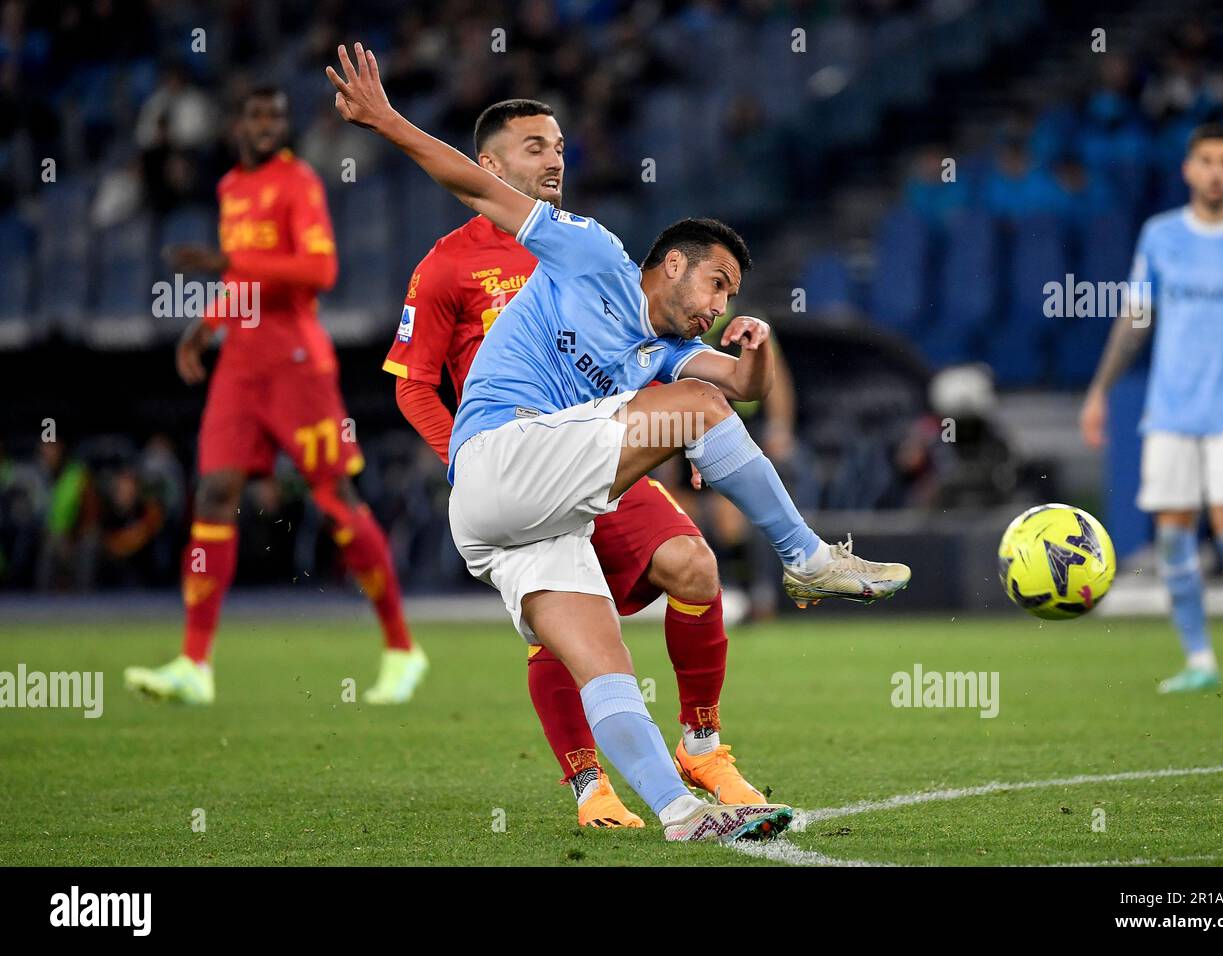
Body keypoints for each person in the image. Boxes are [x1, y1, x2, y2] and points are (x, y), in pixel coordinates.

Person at [328, 44, 909, 841]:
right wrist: (386, 119)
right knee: (697, 414)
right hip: (502, 454)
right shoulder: (590, 251)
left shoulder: (658, 352)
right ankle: (805, 557)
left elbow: (740, 386)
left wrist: (757, 340)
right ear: (670, 265)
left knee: (608, 668)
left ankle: (678, 811)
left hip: (519, 515)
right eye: (716, 285)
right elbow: (468, 185)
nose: (717, 305)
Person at [387, 98, 766, 828]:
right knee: (566, 628)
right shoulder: (447, 265)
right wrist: (466, 465)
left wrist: (681, 431)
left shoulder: (582, 248)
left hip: (596, 452)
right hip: (517, 467)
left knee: (694, 565)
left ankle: (703, 746)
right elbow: (414, 388)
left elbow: (640, 356)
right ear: (488, 166)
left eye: (558, 145)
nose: (554, 160)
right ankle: (592, 785)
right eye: (534, 147)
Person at [125, 88, 423, 706]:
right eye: (256, 115)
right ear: (237, 122)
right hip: (240, 364)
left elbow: (320, 272)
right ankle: (194, 663)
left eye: (276, 116)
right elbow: (245, 282)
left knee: (335, 498)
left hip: (296, 366)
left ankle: (400, 647)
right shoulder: (232, 186)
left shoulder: (300, 184)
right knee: (211, 495)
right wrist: (205, 327)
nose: (266, 125)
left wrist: (229, 258)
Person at [1080, 122, 1223, 694]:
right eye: (1207, 160)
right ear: (1188, 170)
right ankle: (1199, 659)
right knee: (1174, 537)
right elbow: (1135, 320)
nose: (1217, 171)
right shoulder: (1160, 236)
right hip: (1171, 409)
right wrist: (1101, 389)